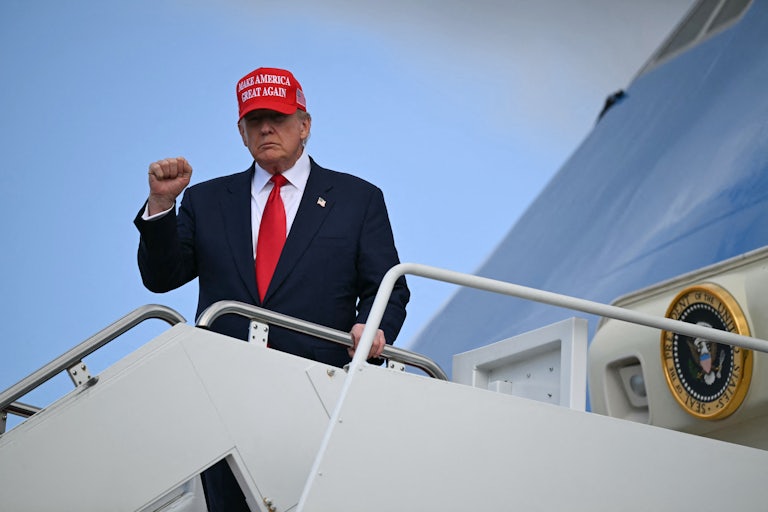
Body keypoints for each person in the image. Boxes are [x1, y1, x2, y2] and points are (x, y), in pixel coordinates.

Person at [133, 66, 409, 511]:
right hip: (224, 394)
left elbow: (388, 288)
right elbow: (162, 278)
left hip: (318, 392)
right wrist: (163, 204)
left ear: (304, 125)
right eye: (253, 120)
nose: (265, 128)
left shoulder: (358, 198)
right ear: (241, 133)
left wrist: (372, 326)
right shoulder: (204, 200)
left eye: (277, 118)